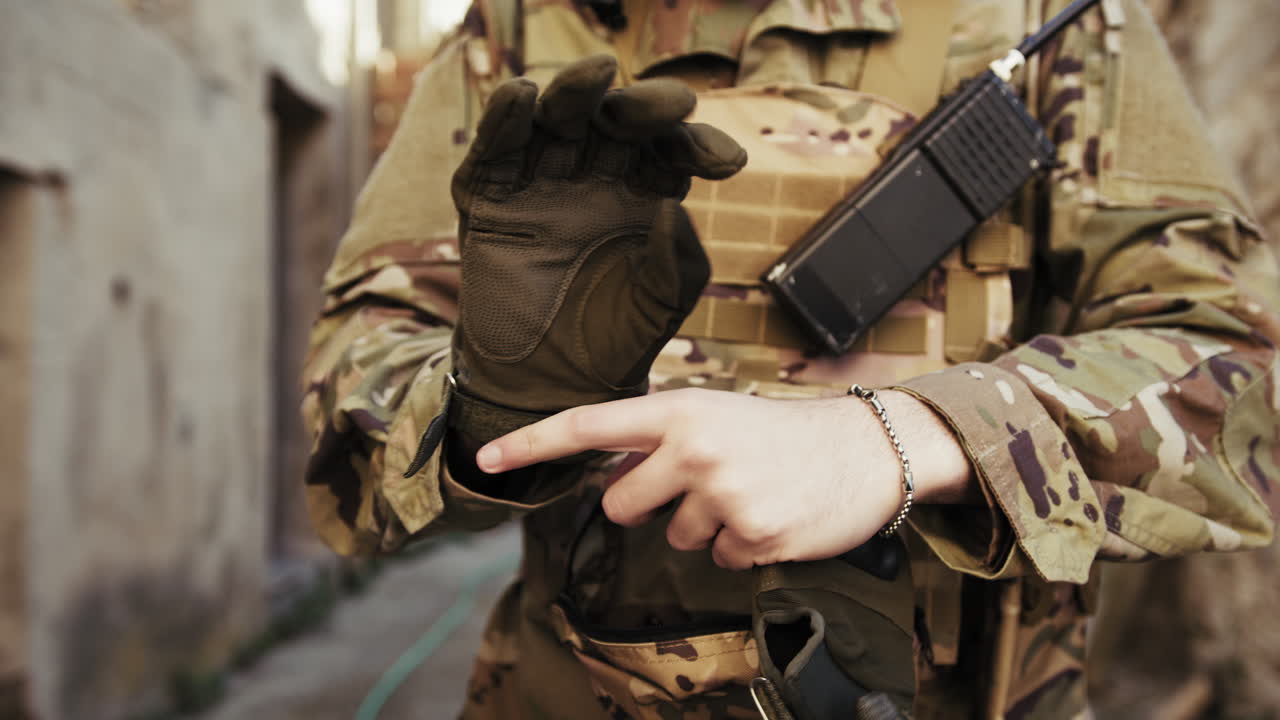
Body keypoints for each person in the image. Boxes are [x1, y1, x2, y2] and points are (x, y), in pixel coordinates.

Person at [300, 0, 1280, 717]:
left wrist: (904, 439)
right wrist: (499, 412)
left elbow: (1241, 369)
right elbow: (348, 407)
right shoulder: (519, 32)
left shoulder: (1046, 21)